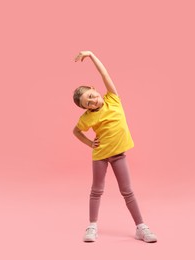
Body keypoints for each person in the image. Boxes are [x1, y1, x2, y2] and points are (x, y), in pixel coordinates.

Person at [72, 50, 157, 243]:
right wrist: (89, 143)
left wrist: (91, 55)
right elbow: (76, 131)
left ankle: (141, 227)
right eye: (88, 103)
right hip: (101, 155)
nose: (93, 101)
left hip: (118, 155)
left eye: (92, 96)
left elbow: (105, 74)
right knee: (96, 190)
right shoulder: (87, 118)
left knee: (127, 191)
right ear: (87, 108)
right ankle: (92, 226)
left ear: (95, 89)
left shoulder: (112, 98)